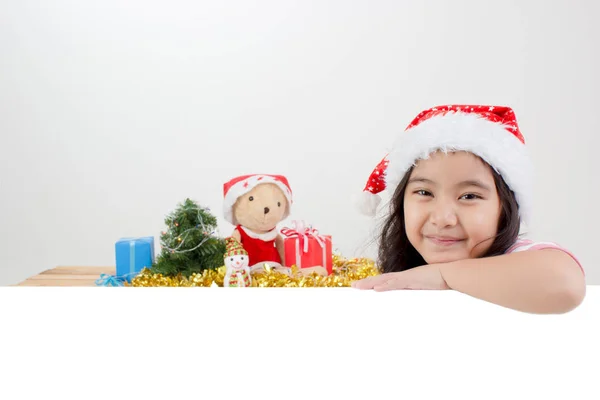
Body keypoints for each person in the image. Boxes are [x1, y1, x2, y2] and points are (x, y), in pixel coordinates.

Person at [352, 105, 585, 314]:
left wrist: (443, 275)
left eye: (469, 196)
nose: (442, 219)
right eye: (424, 193)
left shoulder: (517, 256)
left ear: (505, 208)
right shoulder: (403, 267)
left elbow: (565, 284)